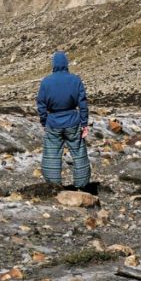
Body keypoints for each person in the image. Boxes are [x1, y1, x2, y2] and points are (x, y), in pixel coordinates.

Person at [35, 50, 91, 191]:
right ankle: (81, 186)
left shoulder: (46, 82)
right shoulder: (75, 80)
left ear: (54, 64)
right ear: (66, 64)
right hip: (73, 121)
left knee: (52, 155)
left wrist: (44, 121)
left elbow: (41, 104)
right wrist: (84, 124)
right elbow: (83, 103)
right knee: (79, 153)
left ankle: (54, 187)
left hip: (53, 123)